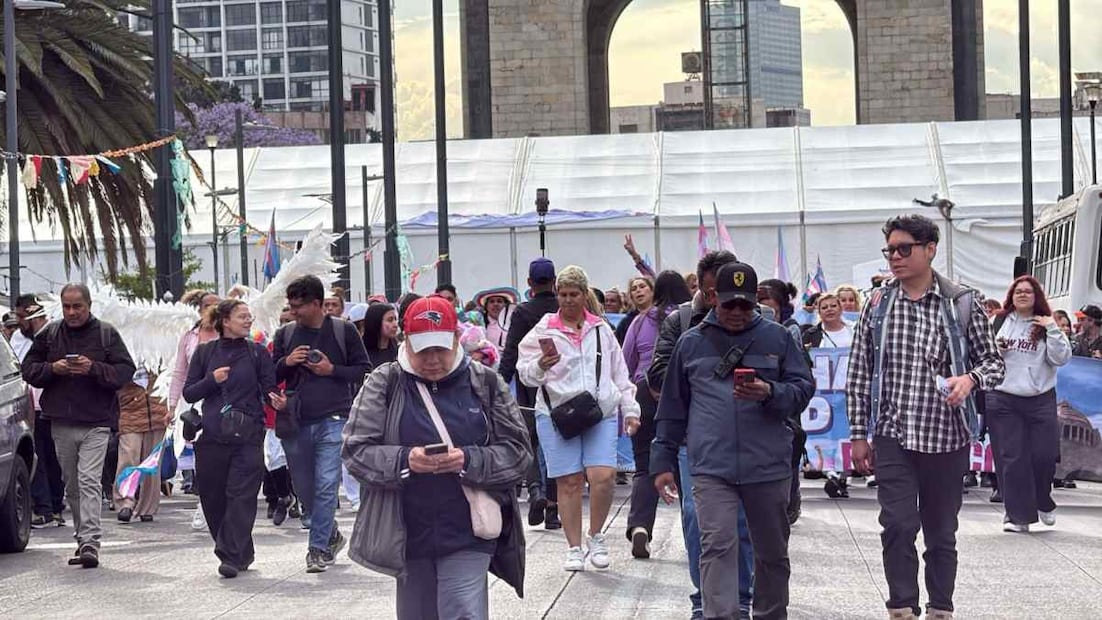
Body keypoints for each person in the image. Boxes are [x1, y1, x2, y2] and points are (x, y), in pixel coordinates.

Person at [847, 215, 1005, 620]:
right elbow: (860, 371)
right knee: (897, 525)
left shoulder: (962, 302)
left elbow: (994, 364)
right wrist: (858, 433)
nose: (895, 258)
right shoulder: (878, 304)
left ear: (930, 249)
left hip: (945, 437)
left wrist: (969, 380)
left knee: (941, 533)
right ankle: (901, 606)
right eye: (890, 250)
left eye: (904, 249)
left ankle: (940, 608)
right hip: (892, 433)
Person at [342, 295, 531, 619]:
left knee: (462, 612)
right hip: (407, 531)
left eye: (440, 348)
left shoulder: (484, 382)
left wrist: (469, 461)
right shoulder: (385, 381)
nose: (432, 359)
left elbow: (519, 452)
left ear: (457, 340)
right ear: (405, 341)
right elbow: (356, 450)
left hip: (469, 529)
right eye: (422, 348)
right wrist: (405, 460)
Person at [652, 261, 815, 620]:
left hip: (768, 466)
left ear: (756, 300)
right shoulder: (690, 343)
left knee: (772, 552)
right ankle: (719, 614)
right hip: (712, 467)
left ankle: (770, 614)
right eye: (730, 304)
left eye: (745, 304)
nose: (738, 312)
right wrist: (661, 461)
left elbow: (803, 390)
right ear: (713, 299)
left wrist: (769, 391)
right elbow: (672, 406)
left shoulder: (779, 338)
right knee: (716, 545)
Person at [647, 251, 754, 620]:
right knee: (697, 519)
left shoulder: (762, 322)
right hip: (697, 440)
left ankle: (741, 598)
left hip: (749, 441)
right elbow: (657, 376)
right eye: (712, 292)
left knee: (741, 521)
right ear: (702, 288)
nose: (720, 301)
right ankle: (703, 600)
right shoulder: (681, 321)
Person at [517, 265, 641, 572]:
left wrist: (631, 409)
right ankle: (573, 547)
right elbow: (525, 374)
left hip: (600, 411)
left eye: (574, 294)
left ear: (585, 295)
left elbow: (620, 374)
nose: (568, 300)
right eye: (563, 294)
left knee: (604, 477)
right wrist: (541, 366)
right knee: (569, 481)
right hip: (557, 414)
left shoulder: (601, 329)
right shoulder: (544, 329)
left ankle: (595, 535)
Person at [22, 283, 136, 569]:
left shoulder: (106, 334)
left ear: (89, 305)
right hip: (60, 421)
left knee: (88, 480)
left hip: (97, 421)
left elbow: (125, 371)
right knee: (71, 484)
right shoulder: (49, 334)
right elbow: (29, 370)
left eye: (78, 306)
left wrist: (93, 368)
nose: (72, 312)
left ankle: (90, 542)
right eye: (67, 307)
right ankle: (81, 535)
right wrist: (53, 369)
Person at [273, 275, 371, 573]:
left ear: (317, 304)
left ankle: (317, 550)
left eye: (299, 306)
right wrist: (287, 362)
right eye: (290, 306)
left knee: (327, 484)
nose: (294, 312)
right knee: (304, 489)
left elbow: (362, 370)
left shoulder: (344, 331)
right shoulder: (285, 334)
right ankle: (331, 535)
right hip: (295, 419)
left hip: (334, 417)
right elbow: (270, 374)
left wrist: (331, 369)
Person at [184, 299, 284, 578]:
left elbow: (269, 388)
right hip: (212, 435)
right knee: (213, 498)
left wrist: (277, 400)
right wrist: (211, 380)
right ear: (225, 321)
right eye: (242, 316)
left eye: (249, 316)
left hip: (248, 434)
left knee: (242, 496)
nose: (248, 320)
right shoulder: (205, 353)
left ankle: (228, 554)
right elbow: (189, 393)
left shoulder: (258, 353)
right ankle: (241, 551)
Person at [987, 276, 1071, 533]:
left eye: (1028, 292)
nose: (1022, 295)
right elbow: (982, 354)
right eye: (1018, 291)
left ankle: (1043, 501)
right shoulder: (999, 322)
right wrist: (996, 350)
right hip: (1004, 397)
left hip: (1039, 398)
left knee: (1043, 456)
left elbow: (1061, 358)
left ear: (1037, 297)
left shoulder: (1046, 325)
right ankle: (1017, 516)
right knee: (1012, 459)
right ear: (1011, 296)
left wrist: (1053, 329)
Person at [621, 270, 692, 559]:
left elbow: (626, 361)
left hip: (645, 393)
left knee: (644, 465)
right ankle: (695, 534)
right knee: (689, 463)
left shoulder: (640, 321)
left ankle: (640, 526)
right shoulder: (691, 318)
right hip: (685, 395)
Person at [499, 257, 561, 529]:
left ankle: (535, 490)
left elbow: (511, 351)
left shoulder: (522, 312)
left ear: (529, 283)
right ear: (555, 281)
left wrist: (500, 385)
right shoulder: (563, 309)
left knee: (531, 441)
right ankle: (552, 510)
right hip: (560, 387)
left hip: (529, 386)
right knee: (558, 446)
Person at [170, 291, 220, 528]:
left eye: (217, 306)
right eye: (207, 305)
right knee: (202, 456)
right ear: (199, 309)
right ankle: (205, 505)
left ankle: (220, 505)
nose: (212, 310)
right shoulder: (189, 337)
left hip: (225, 404)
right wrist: (171, 405)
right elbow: (180, 372)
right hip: (196, 405)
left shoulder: (230, 337)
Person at [15, 299, 66, 529]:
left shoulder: (53, 336)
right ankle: (49, 508)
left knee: (50, 460)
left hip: (48, 406)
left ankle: (51, 508)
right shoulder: (19, 339)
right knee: (41, 458)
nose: (19, 323)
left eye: (21, 318)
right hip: (29, 407)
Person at [113, 367, 171, 523]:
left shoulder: (161, 350)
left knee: (152, 463)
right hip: (130, 409)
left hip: (157, 410)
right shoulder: (125, 348)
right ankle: (125, 502)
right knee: (128, 457)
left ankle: (148, 507)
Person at [616, 276, 654, 344]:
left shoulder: (662, 316)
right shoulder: (625, 323)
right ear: (631, 296)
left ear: (652, 291)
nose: (638, 290)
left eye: (642, 286)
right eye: (634, 289)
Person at [362, 303, 400, 368]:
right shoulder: (362, 354)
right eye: (390, 320)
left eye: (395, 319)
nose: (395, 325)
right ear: (376, 322)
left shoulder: (399, 352)